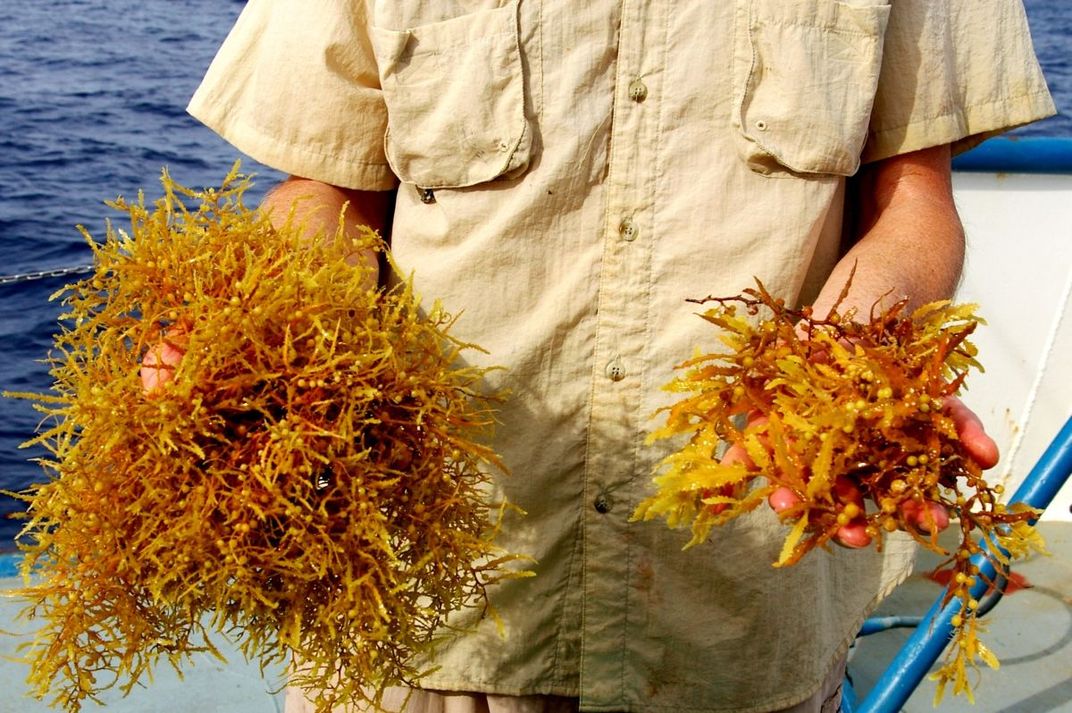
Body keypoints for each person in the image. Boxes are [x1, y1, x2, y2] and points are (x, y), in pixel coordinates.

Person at [183, 2, 1055, 711]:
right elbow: (326, 192)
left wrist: (859, 348)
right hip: (425, 599)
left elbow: (915, 203)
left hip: (739, 600)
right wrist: (273, 335)